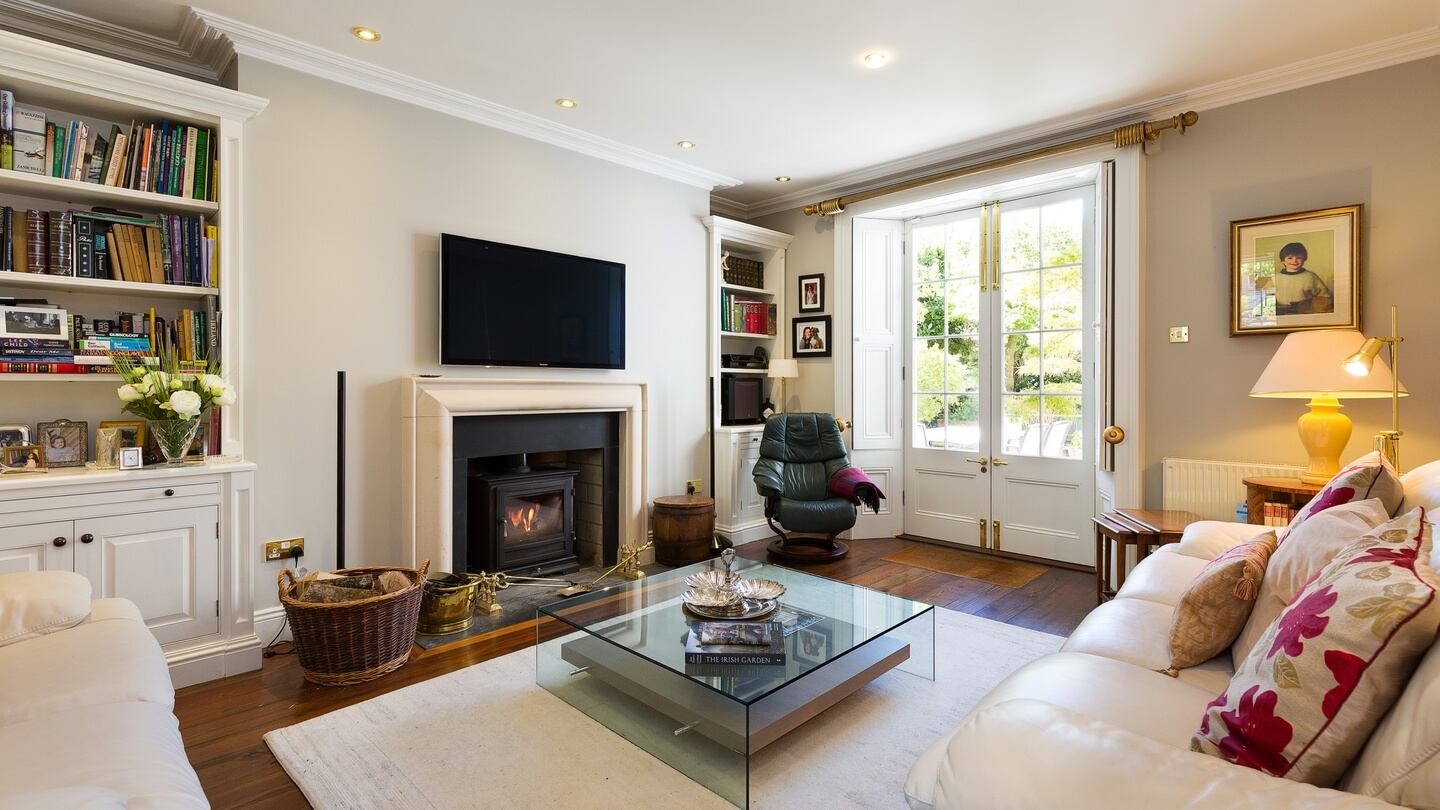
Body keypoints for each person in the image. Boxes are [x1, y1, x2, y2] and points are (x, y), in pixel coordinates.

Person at [1273, 242, 1332, 315]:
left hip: (1304, 313)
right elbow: (1266, 298)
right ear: (1283, 261)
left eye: (1299, 258)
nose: (1294, 260)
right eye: (1290, 258)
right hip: (1281, 314)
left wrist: (1307, 306)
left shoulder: (1310, 276)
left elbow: (1325, 296)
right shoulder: (1275, 278)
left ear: (1304, 260)